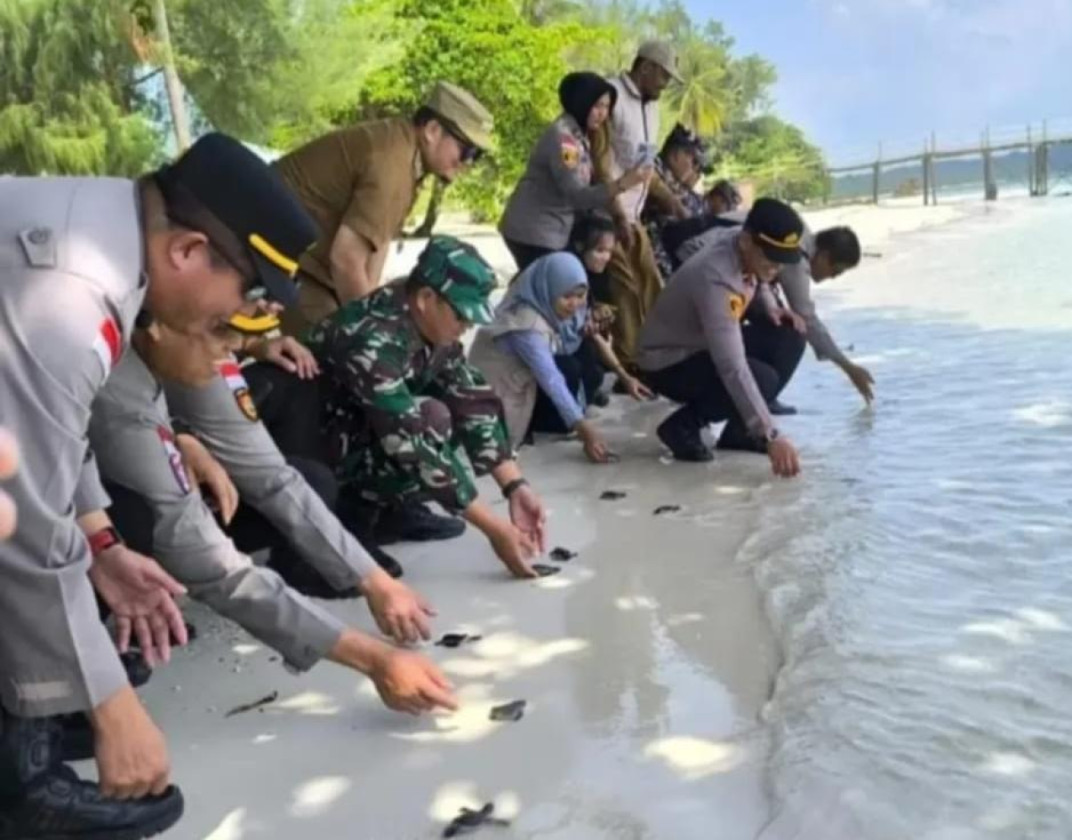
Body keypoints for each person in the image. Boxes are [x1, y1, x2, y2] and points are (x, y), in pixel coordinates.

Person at [0, 133, 315, 840]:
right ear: (187, 251)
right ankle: (22, 790)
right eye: (250, 289)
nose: (245, 316)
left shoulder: (108, 243)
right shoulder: (76, 289)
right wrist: (115, 713)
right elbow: (22, 512)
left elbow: (50, 430)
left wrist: (103, 543)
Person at [85, 330, 455, 723]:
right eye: (225, 332)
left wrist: (375, 582)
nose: (239, 349)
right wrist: (372, 658)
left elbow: (272, 476)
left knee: (307, 478)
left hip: (141, 476)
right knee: (130, 520)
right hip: (45, 515)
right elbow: (198, 551)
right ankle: (53, 692)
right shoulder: (111, 371)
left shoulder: (199, 338)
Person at [305, 236, 549, 579]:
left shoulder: (428, 320)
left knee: (440, 414)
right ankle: (353, 520)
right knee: (429, 421)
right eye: (462, 316)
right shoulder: (373, 339)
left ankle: (392, 509)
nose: (467, 327)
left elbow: (471, 398)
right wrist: (493, 528)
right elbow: (409, 440)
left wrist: (515, 486)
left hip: (362, 428)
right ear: (426, 298)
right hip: (317, 449)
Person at [275, 81, 494, 332]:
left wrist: (373, 308)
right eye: (467, 151)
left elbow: (377, 244)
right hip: (279, 259)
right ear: (432, 130)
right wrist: (371, 330)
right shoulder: (393, 165)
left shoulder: (405, 150)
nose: (468, 164)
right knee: (335, 359)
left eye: (477, 156)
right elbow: (346, 259)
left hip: (303, 263)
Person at [637, 198, 807, 478]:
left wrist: (770, 306)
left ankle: (740, 432)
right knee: (761, 377)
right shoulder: (715, 278)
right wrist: (771, 434)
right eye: (771, 257)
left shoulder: (741, 245)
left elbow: (758, 277)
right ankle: (684, 425)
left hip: (700, 342)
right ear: (747, 241)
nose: (777, 267)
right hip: (667, 360)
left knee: (790, 337)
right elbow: (732, 365)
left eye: (782, 260)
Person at [676, 221, 874, 406]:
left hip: (700, 252)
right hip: (691, 258)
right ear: (823, 255)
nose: (832, 277)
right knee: (791, 332)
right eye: (835, 271)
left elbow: (764, 285)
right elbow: (808, 318)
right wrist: (848, 367)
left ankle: (762, 394)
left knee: (781, 321)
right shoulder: (796, 258)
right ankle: (758, 396)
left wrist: (773, 307)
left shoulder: (799, 233)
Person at [591, 40, 686, 370]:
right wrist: (616, 214)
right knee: (626, 291)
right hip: (606, 214)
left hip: (634, 215)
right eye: (663, 76)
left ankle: (655, 356)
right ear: (645, 67)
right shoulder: (611, 97)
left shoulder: (653, 107)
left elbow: (645, 165)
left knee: (651, 284)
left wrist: (672, 200)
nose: (666, 84)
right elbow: (601, 163)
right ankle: (630, 367)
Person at [499, 71, 649, 271]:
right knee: (553, 290)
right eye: (597, 106)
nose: (602, 114)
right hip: (535, 232)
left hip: (550, 230)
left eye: (606, 107)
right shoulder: (565, 139)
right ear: (581, 102)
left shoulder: (579, 134)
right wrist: (623, 184)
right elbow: (577, 195)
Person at [644, 123, 709, 278]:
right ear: (676, 155)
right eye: (693, 161)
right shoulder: (656, 170)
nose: (694, 170)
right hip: (653, 249)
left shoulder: (676, 181)